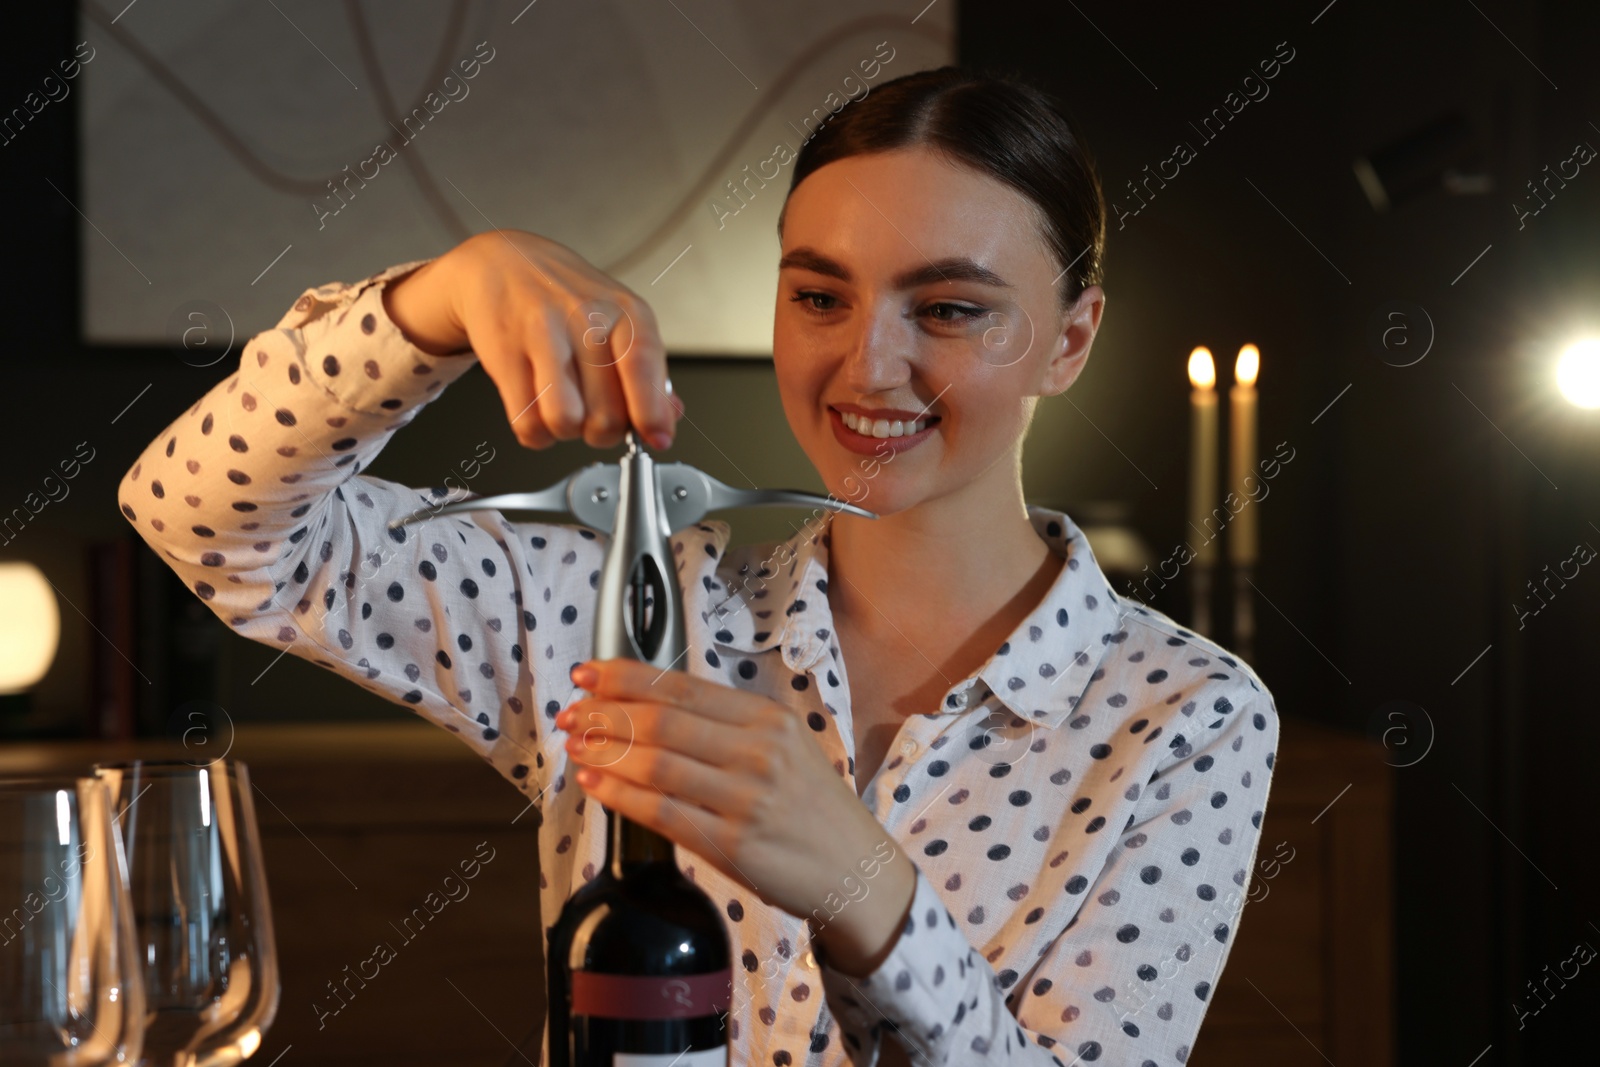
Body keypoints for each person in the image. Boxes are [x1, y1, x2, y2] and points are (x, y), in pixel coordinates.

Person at [119, 65, 1280, 1067]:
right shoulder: (617, 613)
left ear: (1068, 338)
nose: (868, 364)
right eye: (820, 296)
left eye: (948, 307)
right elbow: (199, 513)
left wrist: (862, 882)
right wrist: (436, 302)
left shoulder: (1187, 720)